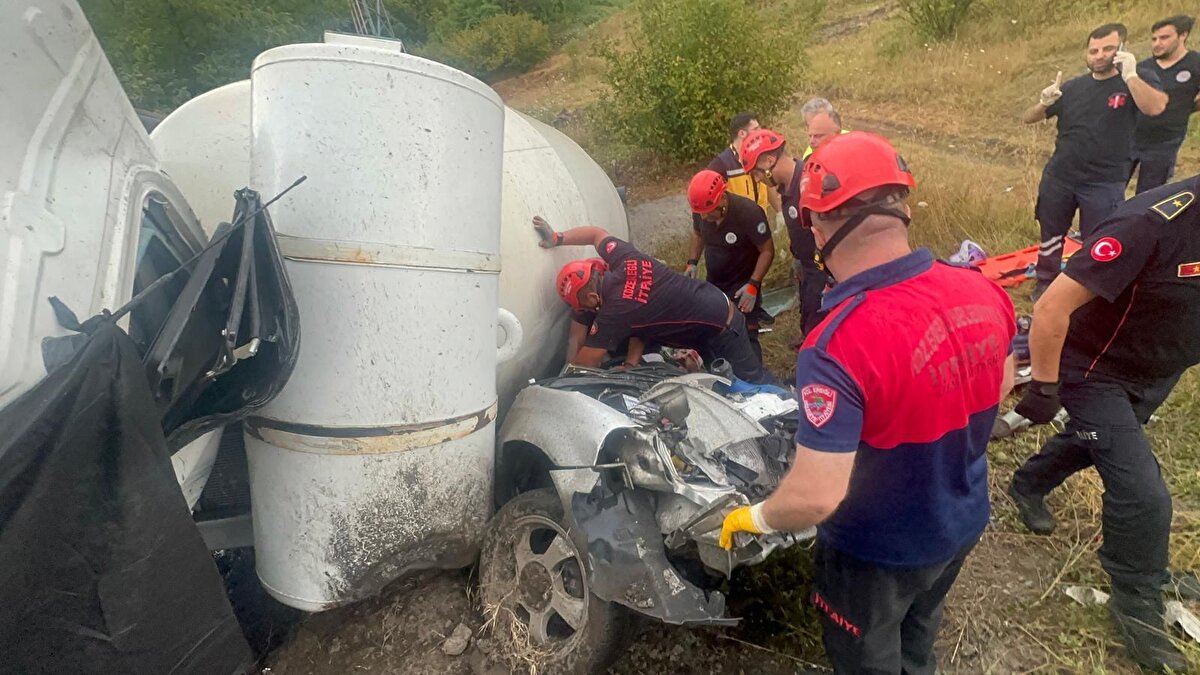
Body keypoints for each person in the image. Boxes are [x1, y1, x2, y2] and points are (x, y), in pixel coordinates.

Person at [719, 132, 1016, 674]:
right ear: (901, 205)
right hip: (962, 520)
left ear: (816, 226)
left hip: (878, 551)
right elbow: (999, 387)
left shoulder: (837, 344)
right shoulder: (980, 289)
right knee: (919, 634)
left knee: (868, 660)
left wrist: (755, 518)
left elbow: (814, 497)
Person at [1007, 176, 1200, 672]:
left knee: (1097, 442)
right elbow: (1051, 306)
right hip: (1095, 370)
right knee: (1142, 493)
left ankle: (1027, 483)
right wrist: (1044, 388)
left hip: (1158, 368)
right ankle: (1137, 598)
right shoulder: (1151, 222)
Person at [532, 216, 776, 384]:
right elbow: (596, 233)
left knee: (753, 386)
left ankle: (794, 410)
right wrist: (558, 237)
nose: (585, 312)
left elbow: (584, 365)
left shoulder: (614, 314)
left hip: (723, 329)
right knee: (722, 381)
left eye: (583, 307)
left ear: (593, 296)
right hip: (711, 309)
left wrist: (559, 381)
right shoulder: (625, 258)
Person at [1022, 23, 1167, 299]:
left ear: (1122, 49)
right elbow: (1028, 118)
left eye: (1108, 49)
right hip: (1060, 177)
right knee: (1051, 232)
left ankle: (1087, 290)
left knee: (1099, 239)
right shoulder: (1073, 87)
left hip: (1104, 181)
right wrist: (1043, 102)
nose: (1099, 55)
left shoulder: (1136, 81)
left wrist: (1131, 75)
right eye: (1094, 50)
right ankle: (1046, 279)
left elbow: (1156, 107)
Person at [740, 128, 826, 335]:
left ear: (770, 160)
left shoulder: (809, 185)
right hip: (806, 268)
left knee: (819, 328)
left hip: (823, 272)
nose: (758, 179)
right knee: (807, 319)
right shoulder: (788, 187)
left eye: (757, 172)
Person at [684, 169, 775, 364]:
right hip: (715, 282)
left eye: (710, 213)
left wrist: (754, 284)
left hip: (743, 283)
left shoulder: (749, 213)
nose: (706, 218)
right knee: (713, 330)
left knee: (746, 333)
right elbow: (698, 234)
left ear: (722, 199)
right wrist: (692, 262)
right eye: (702, 214)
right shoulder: (701, 211)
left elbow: (767, 251)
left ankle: (756, 378)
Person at [1132, 15, 1200, 193]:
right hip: (1131, 138)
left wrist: (1187, 108)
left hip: (1165, 142)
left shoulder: (1195, 63)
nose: (1157, 43)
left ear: (1182, 35)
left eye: (1164, 38)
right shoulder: (1142, 68)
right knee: (1112, 192)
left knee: (1149, 196)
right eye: (1154, 39)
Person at [706, 112, 777, 214]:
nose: (760, 132)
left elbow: (768, 184)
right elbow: (708, 197)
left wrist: (779, 212)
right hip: (737, 226)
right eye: (756, 129)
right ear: (742, 133)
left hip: (761, 223)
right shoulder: (722, 164)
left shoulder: (760, 156)